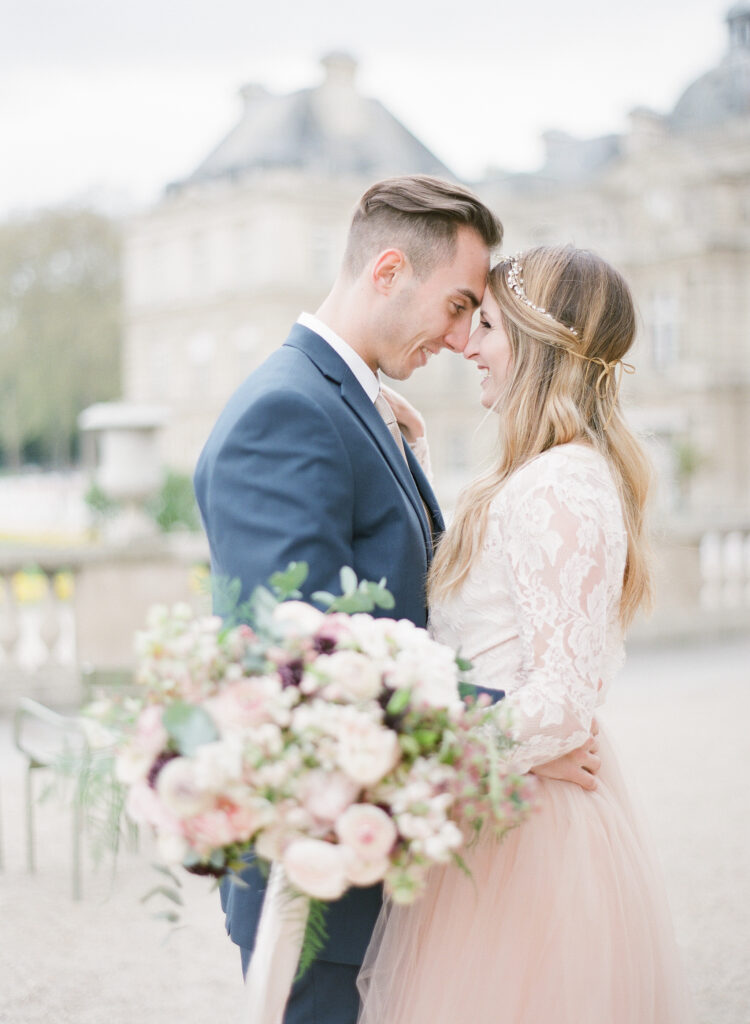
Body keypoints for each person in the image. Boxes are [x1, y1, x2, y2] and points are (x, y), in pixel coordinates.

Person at [193, 180, 602, 1024]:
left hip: (382, 878)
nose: (461, 339)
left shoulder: (349, 405)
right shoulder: (288, 412)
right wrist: (513, 732)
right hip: (324, 890)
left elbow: (404, 616)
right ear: (387, 270)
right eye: (457, 306)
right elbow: (314, 671)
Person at [357, 245, 695, 1024]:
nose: (467, 344)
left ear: (537, 346)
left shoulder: (563, 484)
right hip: (508, 807)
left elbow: (561, 705)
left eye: (488, 326)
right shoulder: (537, 476)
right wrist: (418, 464)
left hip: (527, 838)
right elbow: (495, 618)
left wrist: (416, 771)